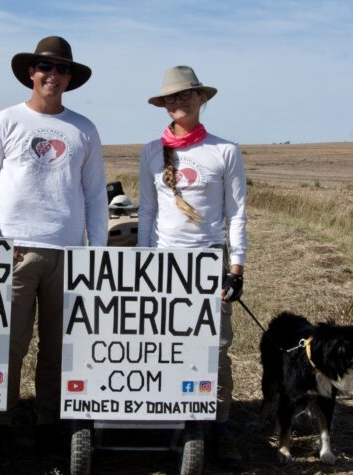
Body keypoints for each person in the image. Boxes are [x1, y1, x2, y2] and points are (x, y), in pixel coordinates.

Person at [0, 36, 108, 458]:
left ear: (70, 78)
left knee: (60, 345)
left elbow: (96, 195)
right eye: (45, 67)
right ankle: (1, 422)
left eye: (62, 69)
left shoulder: (84, 128)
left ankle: (51, 421)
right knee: (8, 342)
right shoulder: (5, 120)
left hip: (68, 254)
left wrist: (95, 254)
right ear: (31, 72)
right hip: (15, 252)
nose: (53, 75)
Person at [137, 65, 248, 469]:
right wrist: (144, 262)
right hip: (163, 265)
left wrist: (235, 268)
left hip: (208, 265)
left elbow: (236, 214)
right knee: (164, 344)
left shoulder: (224, 151)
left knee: (215, 350)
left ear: (202, 99)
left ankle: (218, 427)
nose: (178, 102)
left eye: (186, 95)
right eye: (170, 97)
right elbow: (147, 211)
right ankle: (170, 419)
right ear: (163, 105)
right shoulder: (151, 151)